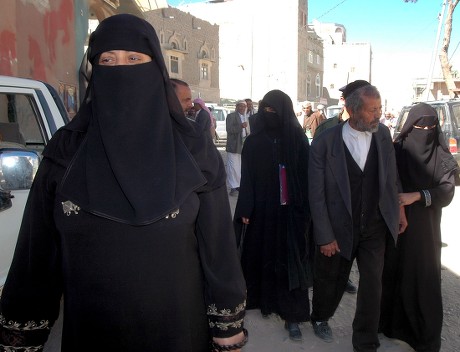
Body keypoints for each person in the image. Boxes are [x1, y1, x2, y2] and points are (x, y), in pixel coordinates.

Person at [0, 14, 247, 352]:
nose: (121, 68)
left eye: (133, 59)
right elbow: (37, 252)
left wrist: (227, 323)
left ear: (154, 66)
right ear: (95, 72)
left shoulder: (192, 149)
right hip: (92, 332)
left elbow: (218, 247)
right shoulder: (67, 150)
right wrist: (22, 331)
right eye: (107, 60)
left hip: (178, 332)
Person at [308, 84, 407, 351]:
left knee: (373, 284)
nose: (379, 115)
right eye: (372, 110)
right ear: (351, 110)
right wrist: (325, 235)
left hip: (374, 225)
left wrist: (399, 208)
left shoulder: (384, 135)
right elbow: (316, 195)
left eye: (380, 108)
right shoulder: (325, 143)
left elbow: (391, 177)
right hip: (338, 227)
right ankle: (320, 317)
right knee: (331, 278)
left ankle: (365, 340)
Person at [234, 89, 311, 341]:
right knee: (261, 254)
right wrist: (245, 208)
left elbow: (307, 176)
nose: (269, 115)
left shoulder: (297, 139)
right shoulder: (254, 142)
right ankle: (263, 301)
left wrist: (305, 209)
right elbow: (247, 179)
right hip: (263, 211)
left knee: (290, 261)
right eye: (265, 109)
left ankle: (292, 314)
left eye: (274, 110)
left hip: (291, 214)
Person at [380, 103, 457, 352]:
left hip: (426, 230)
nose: (425, 130)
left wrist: (417, 196)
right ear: (409, 127)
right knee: (392, 272)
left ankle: (423, 336)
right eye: (419, 126)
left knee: (423, 278)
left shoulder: (442, 156)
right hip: (395, 224)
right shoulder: (396, 150)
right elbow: (385, 180)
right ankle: (391, 326)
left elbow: (446, 192)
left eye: (430, 126)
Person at [226, 100, 249, 196]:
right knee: (233, 167)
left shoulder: (245, 117)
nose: (242, 108)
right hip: (234, 145)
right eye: (240, 106)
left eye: (244, 106)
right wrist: (241, 126)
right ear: (236, 107)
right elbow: (229, 129)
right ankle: (233, 187)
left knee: (239, 166)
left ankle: (238, 185)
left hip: (243, 145)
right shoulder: (231, 116)